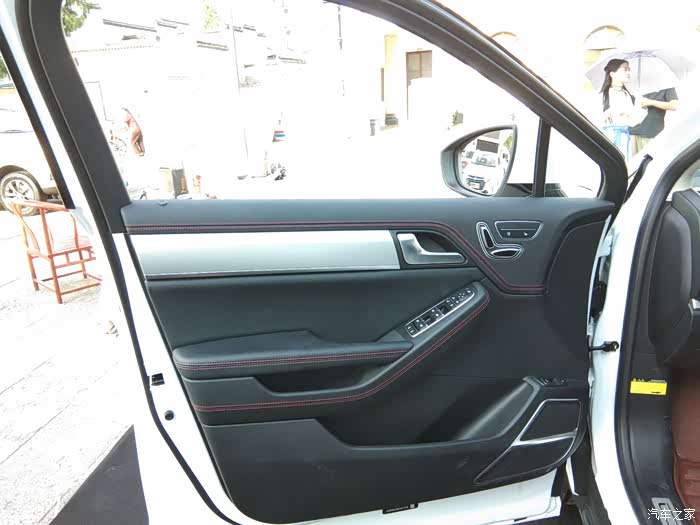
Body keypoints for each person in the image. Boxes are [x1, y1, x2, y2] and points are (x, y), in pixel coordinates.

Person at [600, 59, 647, 158]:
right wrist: (612, 111)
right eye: (625, 69)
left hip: (625, 137)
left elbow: (635, 120)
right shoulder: (604, 95)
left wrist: (637, 104)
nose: (628, 72)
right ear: (612, 74)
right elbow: (595, 119)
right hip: (608, 137)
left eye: (629, 70)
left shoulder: (627, 94)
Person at [629, 88, 679, 155]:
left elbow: (674, 105)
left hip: (652, 133)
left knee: (651, 159)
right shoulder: (633, 85)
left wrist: (651, 102)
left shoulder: (665, 85)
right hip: (632, 133)